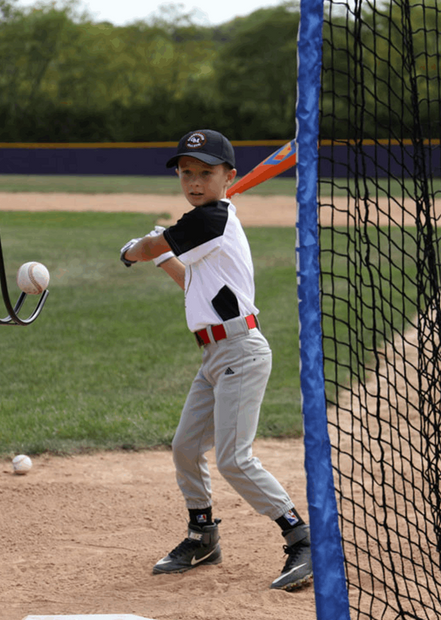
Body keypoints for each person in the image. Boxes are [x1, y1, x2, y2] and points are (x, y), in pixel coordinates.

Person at [119, 129, 313, 591]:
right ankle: (203, 535)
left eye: (207, 172)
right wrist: (162, 253)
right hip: (214, 354)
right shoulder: (205, 224)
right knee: (186, 447)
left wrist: (135, 250)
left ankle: (304, 538)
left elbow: (147, 248)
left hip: (240, 352)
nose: (194, 180)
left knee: (233, 458)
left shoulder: (212, 220)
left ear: (230, 177)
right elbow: (193, 284)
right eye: (187, 172)